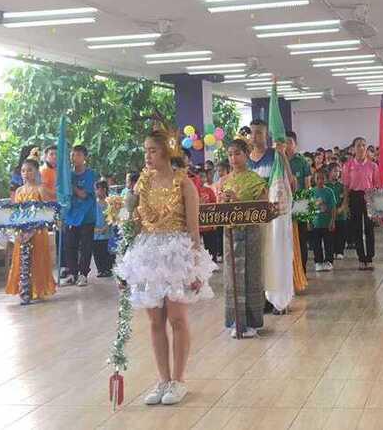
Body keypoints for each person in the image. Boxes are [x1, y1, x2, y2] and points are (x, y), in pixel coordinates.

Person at [115, 128, 215, 406]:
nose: (147, 156)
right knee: (154, 320)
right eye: (145, 150)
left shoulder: (184, 183)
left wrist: (194, 266)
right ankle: (162, 379)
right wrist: (125, 255)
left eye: (153, 150)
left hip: (175, 254)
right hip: (148, 253)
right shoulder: (142, 183)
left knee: (176, 318)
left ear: (167, 152)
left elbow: (193, 230)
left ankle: (178, 380)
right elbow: (133, 223)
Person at [220, 138, 268, 337]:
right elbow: (219, 210)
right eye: (230, 154)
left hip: (250, 233)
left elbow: (263, 207)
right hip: (230, 233)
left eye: (237, 153)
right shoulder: (224, 181)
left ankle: (251, 322)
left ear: (246, 154)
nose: (233, 158)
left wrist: (238, 201)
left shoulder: (256, 180)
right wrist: (223, 202)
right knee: (232, 276)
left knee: (250, 274)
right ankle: (235, 322)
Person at [248, 119, 294, 314]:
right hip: (253, 218)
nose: (255, 137)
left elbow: (290, 182)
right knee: (257, 259)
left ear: (266, 135)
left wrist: (283, 156)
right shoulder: (246, 160)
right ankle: (261, 299)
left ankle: (278, 299)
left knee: (275, 256)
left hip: (273, 219)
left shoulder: (275, 156)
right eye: (252, 132)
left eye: (259, 132)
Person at [5, 158, 56, 304]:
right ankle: (24, 290)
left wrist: (33, 230)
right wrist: (19, 232)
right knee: (21, 261)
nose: (26, 174)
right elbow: (16, 213)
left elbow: (46, 212)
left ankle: (38, 289)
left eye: (29, 170)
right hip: (22, 233)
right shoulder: (19, 191)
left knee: (37, 260)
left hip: (38, 232)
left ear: (36, 172)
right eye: (23, 171)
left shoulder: (41, 189)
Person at [62, 145, 98, 287]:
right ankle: (72, 273)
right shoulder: (68, 175)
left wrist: (71, 186)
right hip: (71, 216)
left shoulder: (90, 174)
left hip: (87, 216)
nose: (74, 158)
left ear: (84, 158)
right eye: (72, 155)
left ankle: (83, 274)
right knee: (69, 245)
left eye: (78, 155)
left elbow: (83, 194)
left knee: (85, 247)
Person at [342, 137, 380, 271]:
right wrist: (345, 203)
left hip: (369, 196)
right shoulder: (348, 165)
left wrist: (376, 203)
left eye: (364, 145)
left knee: (369, 228)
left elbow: (376, 185)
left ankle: (369, 258)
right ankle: (361, 258)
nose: (361, 148)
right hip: (354, 196)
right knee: (357, 228)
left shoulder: (373, 165)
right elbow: (346, 186)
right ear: (353, 148)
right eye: (358, 145)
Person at [286, 131, 312, 280]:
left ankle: (302, 270)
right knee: (287, 237)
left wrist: (308, 207)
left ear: (295, 144)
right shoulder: (279, 160)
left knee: (302, 237)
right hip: (284, 202)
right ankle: (289, 271)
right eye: (284, 142)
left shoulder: (302, 162)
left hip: (300, 201)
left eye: (290, 142)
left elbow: (307, 186)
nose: (287, 145)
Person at [310, 167, 337, 271]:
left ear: (325, 179)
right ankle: (318, 262)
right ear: (314, 179)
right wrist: (309, 221)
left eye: (322, 178)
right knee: (316, 244)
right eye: (317, 178)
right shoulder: (311, 192)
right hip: (315, 223)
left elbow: (333, 207)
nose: (320, 181)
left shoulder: (329, 191)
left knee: (328, 243)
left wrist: (332, 221)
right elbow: (309, 208)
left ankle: (329, 261)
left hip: (327, 223)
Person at [92, 180, 115, 278]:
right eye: (96, 189)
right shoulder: (93, 203)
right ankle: (100, 270)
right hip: (95, 232)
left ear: (104, 189)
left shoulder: (110, 202)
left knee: (108, 252)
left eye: (98, 189)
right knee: (97, 252)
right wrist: (95, 229)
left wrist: (106, 227)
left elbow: (113, 217)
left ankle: (108, 269)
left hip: (107, 232)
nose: (97, 191)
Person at [327, 162, 348, 259]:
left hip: (340, 214)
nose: (337, 173)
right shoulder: (326, 186)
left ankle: (340, 251)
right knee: (330, 234)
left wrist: (341, 208)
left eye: (338, 172)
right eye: (335, 171)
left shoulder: (341, 185)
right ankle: (331, 251)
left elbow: (345, 198)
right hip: (329, 214)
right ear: (329, 172)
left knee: (341, 233)